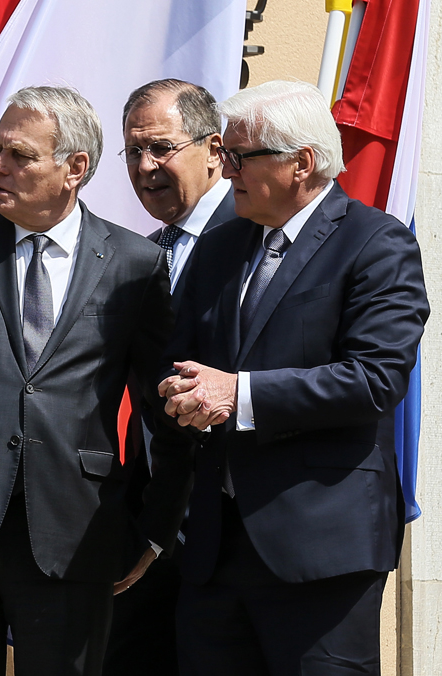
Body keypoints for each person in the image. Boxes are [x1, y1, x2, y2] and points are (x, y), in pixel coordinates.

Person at [0, 85, 193, 676]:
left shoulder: (135, 263)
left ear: (74, 168)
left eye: (19, 155)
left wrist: (154, 529)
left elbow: (165, 409)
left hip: (79, 536)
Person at [158, 80, 429, 675]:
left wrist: (240, 393)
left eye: (239, 157)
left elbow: (374, 379)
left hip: (321, 550)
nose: (224, 171)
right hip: (214, 548)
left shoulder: (376, 244)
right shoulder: (222, 246)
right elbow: (182, 355)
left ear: (302, 162)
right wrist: (182, 391)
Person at [104, 78, 235, 676]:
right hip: (151, 528)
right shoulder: (140, 256)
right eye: (133, 151)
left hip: (237, 530)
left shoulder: (258, 241)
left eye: (160, 148)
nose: (145, 166)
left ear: (213, 150)